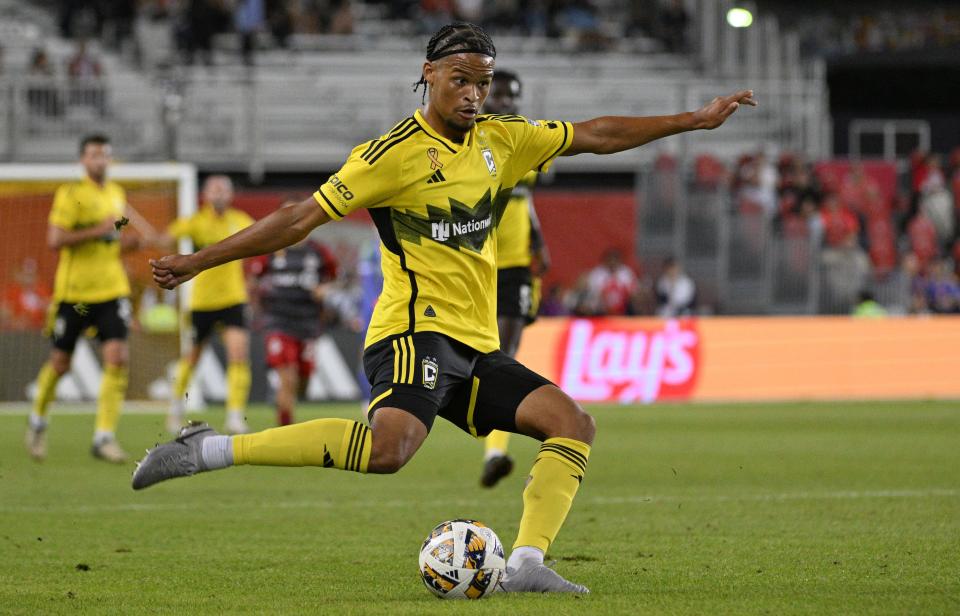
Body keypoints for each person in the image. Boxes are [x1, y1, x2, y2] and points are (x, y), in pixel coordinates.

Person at [136, 22, 755, 594]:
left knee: (572, 423)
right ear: (428, 74)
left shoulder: (502, 141)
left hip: (474, 343)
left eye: (483, 83)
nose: (474, 95)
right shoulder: (390, 155)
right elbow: (298, 219)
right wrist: (197, 262)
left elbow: (594, 134)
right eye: (461, 80)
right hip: (413, 332)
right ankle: (208, 449)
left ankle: (527, 565)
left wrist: (691, 122)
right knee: (390, 451)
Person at [25, 134, 146, 463]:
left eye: (105, 155)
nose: (100, 160)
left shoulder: (116, 194)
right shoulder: (71, 194)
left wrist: (127, 242)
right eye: (94, 155)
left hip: (111, 290)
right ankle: (37, 420)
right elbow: (56, 239)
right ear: (82, 160)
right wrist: (98, 229)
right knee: (60, 364)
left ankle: (104, 436)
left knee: (118, 358)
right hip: (76, 296)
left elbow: (113, 234)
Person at [478, 69, 551, 488]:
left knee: (507, 352)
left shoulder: (524, 141)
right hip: (480, 262)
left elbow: (527, 200)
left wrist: (539, 239)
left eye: (513, 97)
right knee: (490, 353)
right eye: (501, 96)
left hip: (518, 264)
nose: (507, 103)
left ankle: (496, 451)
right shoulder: (474, 138)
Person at [152, 175, 255, 435]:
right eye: (214, 190)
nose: (219, 194)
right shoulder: (196, 222)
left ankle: (234, 416)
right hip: (202, 302)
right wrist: (160, 242)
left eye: (223, 189)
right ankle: (175, 408)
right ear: (206, 195)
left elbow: (263, 236)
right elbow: (169, 236)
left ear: (230, 195)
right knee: (193, 357)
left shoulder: (240, 220)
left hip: (233, 298)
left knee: (238, 354)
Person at [248, 230, 339, 426]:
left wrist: (325, 289)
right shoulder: (272, 250)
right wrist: (256, 305)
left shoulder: (318, 252)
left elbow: (334, 278)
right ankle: (285, 429)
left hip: (308, 323)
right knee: (288, 377)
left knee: (302, 382)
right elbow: (253, 278)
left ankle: (283, 395)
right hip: (278, 322)